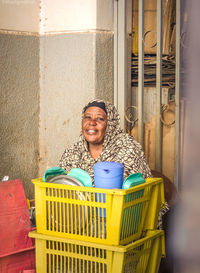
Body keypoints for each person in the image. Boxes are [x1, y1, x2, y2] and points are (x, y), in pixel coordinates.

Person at [59, 99, 152, 182]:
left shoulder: (127, 146)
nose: (92, 123)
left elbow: (121, 185)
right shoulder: (72, 152)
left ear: (110, 124)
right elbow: (59, 181)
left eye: (100, 119)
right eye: (87, 117)